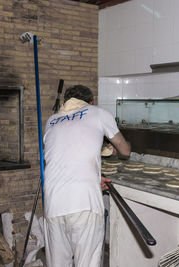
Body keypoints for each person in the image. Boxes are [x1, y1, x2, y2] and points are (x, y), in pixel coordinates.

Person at [43, 85, 131, 267]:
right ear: (90, 102)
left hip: (53, 204)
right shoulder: (97, 112)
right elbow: (125, 150)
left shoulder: (52, 120)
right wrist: (117, 148)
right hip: (84, 203)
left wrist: (93, 179)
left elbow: (63, 156)